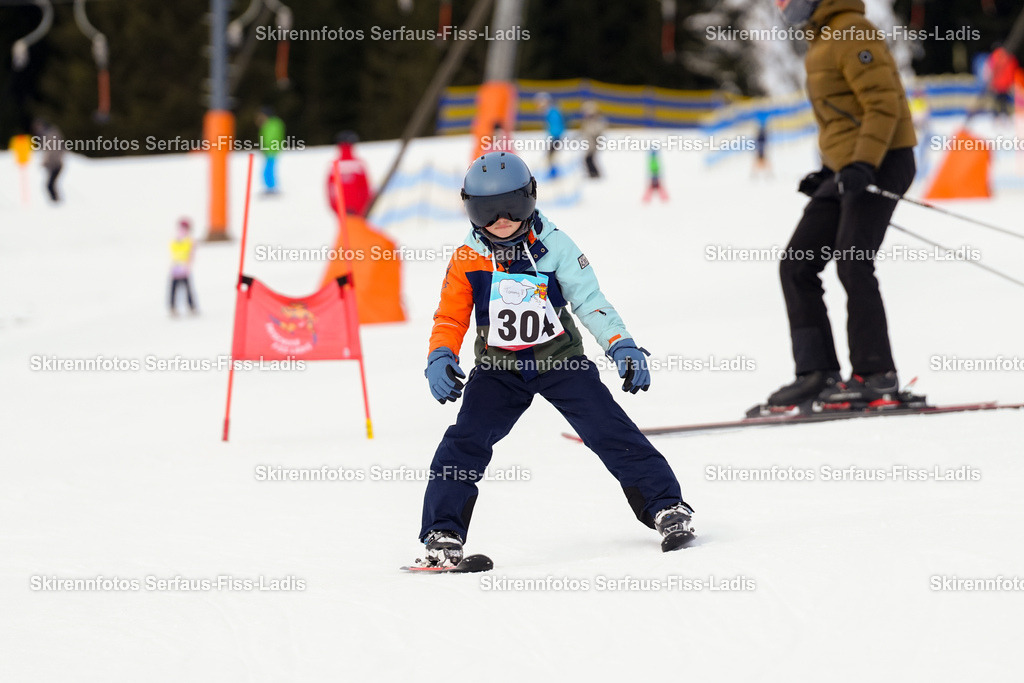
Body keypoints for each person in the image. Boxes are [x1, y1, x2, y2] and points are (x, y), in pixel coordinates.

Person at [416, 151, 694, 566]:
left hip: (560, 361)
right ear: (470, 210)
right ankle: (442, 533)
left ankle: (666, 507)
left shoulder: (556, 245)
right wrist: (440, 354)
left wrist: (621, 344)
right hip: (498, 369)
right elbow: (451, 315)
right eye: (488, 210)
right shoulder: (467, 258)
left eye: (513, 205)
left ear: (531, 198)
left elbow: (589, 300)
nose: (502, 219)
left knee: (608, 429)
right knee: (465, 442)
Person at [768, 0, 917, 409]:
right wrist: (829, 171)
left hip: (883, 159)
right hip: (849, 166)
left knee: (853, 260)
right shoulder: (820, 39)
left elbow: (882, 104)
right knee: (797, 264)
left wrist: (863, 165)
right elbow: (842, 118)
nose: (782, 7)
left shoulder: (852, 30)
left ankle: (876, 374)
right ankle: (816, 373)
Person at [326, 131, 372, 217]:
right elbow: (365, 188)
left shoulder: (334, 165)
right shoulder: (358, 163)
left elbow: (330, 189)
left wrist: (336, 208)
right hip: (358, 211)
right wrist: (362, 207)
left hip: (341, 210)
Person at [169, 218, 197, 316]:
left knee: (175, 288)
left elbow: (172, 250)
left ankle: (172, 306)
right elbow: (191, 253)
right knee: (187, 288)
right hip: (184, 267)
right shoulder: (188, 240)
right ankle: (191, 306)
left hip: (176, 267)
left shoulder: (176, 238)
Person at [32, 119, 64, 203]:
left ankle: (56, 202)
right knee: (51, 185)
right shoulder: (51, 134)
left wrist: (47, 161)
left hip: (55, 164)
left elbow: (52, 151)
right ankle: (56, 202)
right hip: (55, 163)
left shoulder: (50, 136)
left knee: (50, 185)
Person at [984, 44, 1019, 121]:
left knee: (997, 102)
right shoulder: (1010, 56)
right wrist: (1012, 83)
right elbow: (1013, 70)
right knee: (1004, 102)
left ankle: (997, 117)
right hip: (1005, 85)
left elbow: (989, 69)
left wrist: (989, 81)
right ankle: (1004, 116)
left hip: (997, 84)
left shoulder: (994, 56)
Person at [534, 92, 565, 179]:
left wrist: (553, 136)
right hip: (555, 136)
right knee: (550, 156)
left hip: (555, 137)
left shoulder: (552, 112)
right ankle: (553, 173)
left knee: (551, 157)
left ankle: (554, 174)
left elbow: (556, 126)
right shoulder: (552, 111)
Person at [256, 107, 286, 194]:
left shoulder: (272, 124)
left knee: (268, 170)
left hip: (272, 150)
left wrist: (266, 148)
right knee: (267, 170)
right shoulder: (269, 124)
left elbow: (272, 138)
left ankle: (271, 188)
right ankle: (270, 187)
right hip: (270, 150)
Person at [578, 99, 607, 178]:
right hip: (589, 143)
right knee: (588, 159)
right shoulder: (587, 121)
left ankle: (594, 174)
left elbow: (597, 131)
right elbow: (584, 131)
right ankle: (593, 173)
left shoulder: (597, 121)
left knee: (588, 159)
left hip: (593, 144)